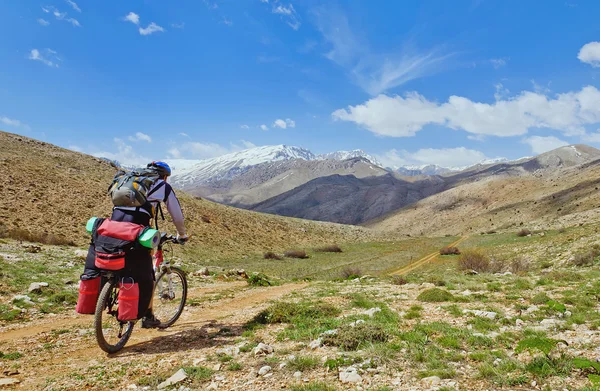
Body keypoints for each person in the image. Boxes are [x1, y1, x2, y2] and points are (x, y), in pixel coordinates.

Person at [84, 161, 188, 328]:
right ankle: (147, 316)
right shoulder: (162, 186)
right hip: (136, 231)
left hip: (112, 228)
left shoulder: (128, 181)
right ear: (165, 176)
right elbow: (177, 216)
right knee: (146, 272)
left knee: (116, 260)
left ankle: (105, 295)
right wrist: (182, 235)